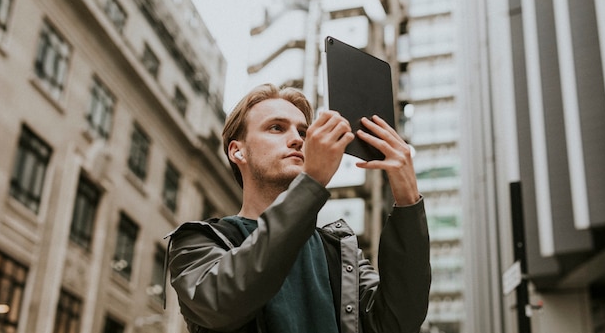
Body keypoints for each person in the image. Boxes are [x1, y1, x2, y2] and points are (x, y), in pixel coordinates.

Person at [165, 83, 430, 333]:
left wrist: (408, 199)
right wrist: (312, 182)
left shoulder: (341, 255)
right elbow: (223, 302)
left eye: (303, 132)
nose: (297, 140)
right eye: (277, 128)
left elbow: (398, 322)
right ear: (238, 152)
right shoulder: (196, 243)